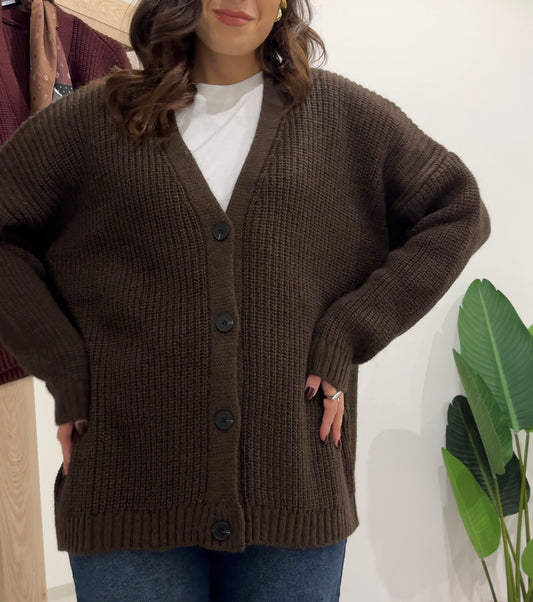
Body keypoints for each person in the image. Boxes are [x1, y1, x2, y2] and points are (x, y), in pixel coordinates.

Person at [0, 0, 490, 600]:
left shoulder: (340, 116)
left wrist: (348, 330)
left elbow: (458, 209)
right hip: (126, 484)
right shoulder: (99, 117)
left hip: (292, 485)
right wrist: (64, 364)